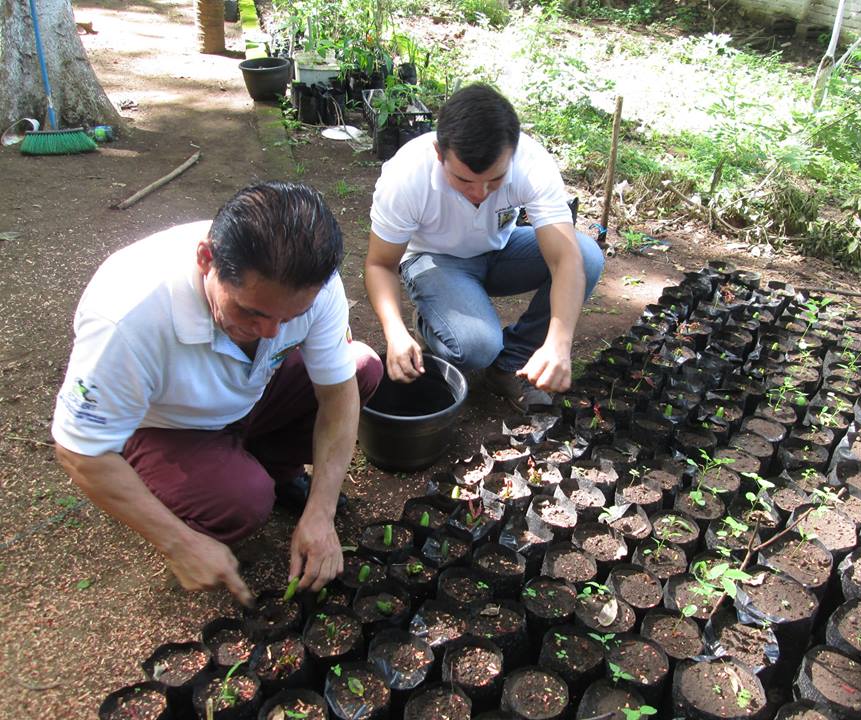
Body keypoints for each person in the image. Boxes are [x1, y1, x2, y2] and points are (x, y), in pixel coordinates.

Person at [51, 181, 383, 606]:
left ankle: (269, 469)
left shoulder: (313, 286)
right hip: (167, 425)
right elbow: (79, 450)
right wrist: (178, 542)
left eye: (291, 317)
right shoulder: (128, 317)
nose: (271, 332)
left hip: (248, 391)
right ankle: (213, 481)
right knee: (243, 502)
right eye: (252, 312)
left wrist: (322, 510)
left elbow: (338, 395)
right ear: (206, 258)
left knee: (362, 368)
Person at [364, 83, 604, 412]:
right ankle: (431, 323)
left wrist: (558, 344)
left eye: (495, 180)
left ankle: (509, 364)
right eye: (464, 180)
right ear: (439, 154)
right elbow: (380, 265)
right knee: (476, 347)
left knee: (586, 255)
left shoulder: (530, 164)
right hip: (435, 259)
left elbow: (565, 260)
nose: (480, 192)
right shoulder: (406, 177)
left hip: (499, 250)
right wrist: (395, 332)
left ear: (513, 153)